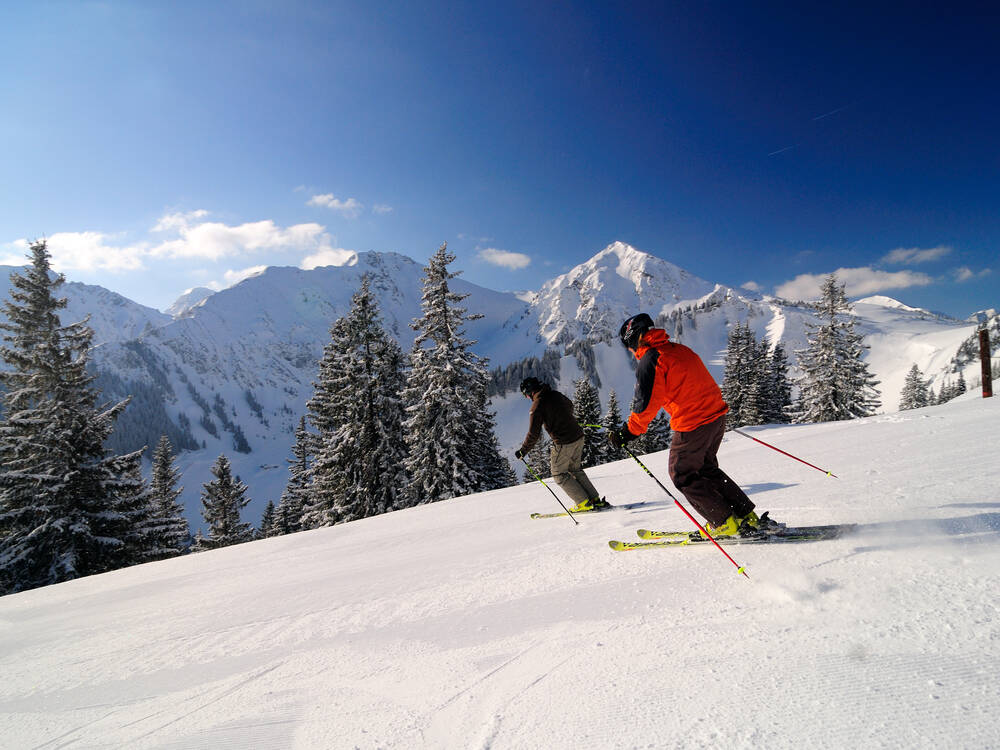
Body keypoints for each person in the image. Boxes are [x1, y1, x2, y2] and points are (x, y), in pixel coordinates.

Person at [609, 313, 775, 537]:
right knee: (706, 470)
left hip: (693, 423)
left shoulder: (651, 360)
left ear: (634, 339)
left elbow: (645, 404)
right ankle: (745, 516)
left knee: (682, 474)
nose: (630, 351)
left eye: (628, 346)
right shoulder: (678, 349)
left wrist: (628, 432)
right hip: (716, 416)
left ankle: (724, 523)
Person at [514, 377, 609, 513]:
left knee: (558, 474)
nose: (527, 398)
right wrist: (563, 418)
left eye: (526, 395)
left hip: (564, 442)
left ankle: (583, 503)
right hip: (578, 436)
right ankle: (594, 500)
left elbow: (534, 433)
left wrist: (523, 450)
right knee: (575, 469)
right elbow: (570, 405)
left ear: (529, 392)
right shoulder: (555, 394)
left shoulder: (537, 406)